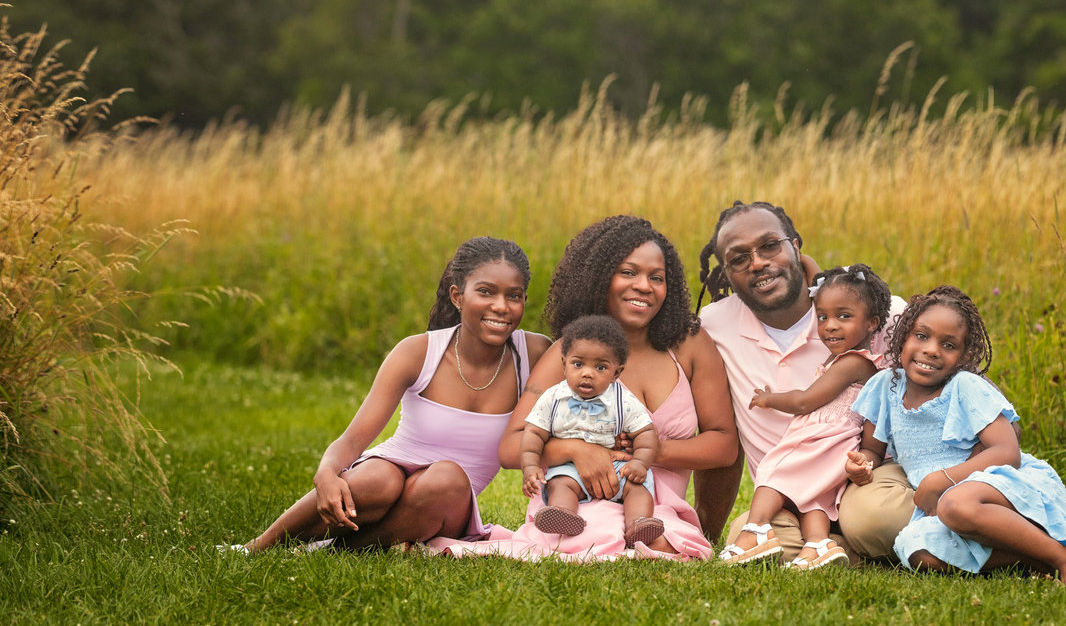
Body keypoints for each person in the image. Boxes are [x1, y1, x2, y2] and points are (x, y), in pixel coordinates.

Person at [236, 237, 550, 553]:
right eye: (486, 292)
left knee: (447, 478)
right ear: (458, 296)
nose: (501, 306)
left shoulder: (535, 354)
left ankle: (335, 550)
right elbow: (353, 440)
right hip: (388, 475)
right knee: (379, 478)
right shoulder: (418, 352)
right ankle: (255, 548)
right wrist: (327, 471)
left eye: (514, 296)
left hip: (446, 501)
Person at [483, 215, 737, 561]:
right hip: (575, 501)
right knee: (593, 535)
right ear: (599, 278)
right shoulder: (570, 354)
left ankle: (639, 535)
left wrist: (647, 452)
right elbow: (511, 448)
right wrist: (578, 450)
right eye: (628, 272)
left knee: (664, 538)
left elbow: (724, 445)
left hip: (655, 508)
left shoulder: (690, 344)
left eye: (657, 277)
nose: (644, 286)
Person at [694, 200, 912, 562]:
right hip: (788, 495)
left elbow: (955, 381)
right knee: (749, 535)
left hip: (864, 478)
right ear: (726, 274)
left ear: (795, 246)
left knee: (873, 518)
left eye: (769, 245)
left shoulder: (873, 311)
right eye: (739, 258)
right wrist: (705, 532)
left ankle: (864, 542)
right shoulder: (714, 326)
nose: (757, 263)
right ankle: (836, 552)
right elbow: (717, 430)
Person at [848, 286, 1066, 591]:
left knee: (955, 504)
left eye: (948, 345)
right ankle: (1036, 559)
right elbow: (873, 449)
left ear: (964, 356)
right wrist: (863, 463)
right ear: (902, 338)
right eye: (922, 336)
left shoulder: (964, 386)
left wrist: (939, 480)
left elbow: (1007, 452)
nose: (931, 350)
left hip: (999, 485)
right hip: (946, 504)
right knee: (918, 552)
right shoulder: (885, 386)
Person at [719, 264, 891, 569]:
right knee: (814, 497)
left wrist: (769, 399)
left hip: (820, 439)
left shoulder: (853, 362)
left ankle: (755, 529)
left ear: (872, 323)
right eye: (822, 317)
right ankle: (818, 545)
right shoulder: (863, 366)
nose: (830, 326)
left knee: (773, 471)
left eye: (844, 316)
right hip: (838, 446)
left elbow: (805, 401)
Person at [520, 315, 664, 546]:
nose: (588, 373)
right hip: (570, 468)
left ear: (616, 373)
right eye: (578, 364)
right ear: (564, 364)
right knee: (560, 482)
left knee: (638, 485)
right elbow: (533, 434)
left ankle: (638, 523)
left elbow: (646, 433)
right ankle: (563, 514)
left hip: (617, 469)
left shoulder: (623, 400)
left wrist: (640, 462)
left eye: (600, 367)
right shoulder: (552, 398)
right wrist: (530, 467)